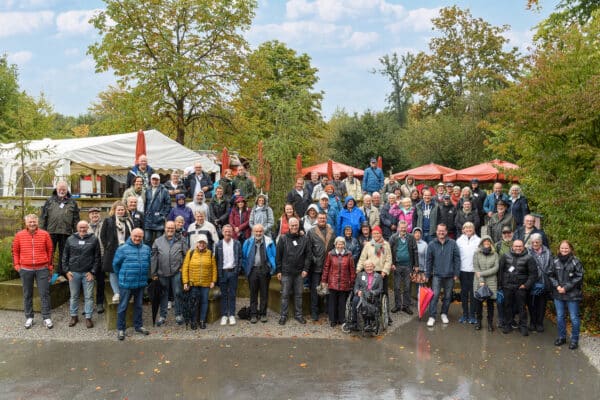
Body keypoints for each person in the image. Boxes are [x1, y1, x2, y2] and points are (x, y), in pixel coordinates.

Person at [12, 214, 54, 329]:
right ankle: (29, 317)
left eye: (34, 222)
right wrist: (17, 265)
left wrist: (50, 267)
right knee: (27, 294)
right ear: (26, 223)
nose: (32, 224)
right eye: (30, 222)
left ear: (37, 222)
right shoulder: (19, 235)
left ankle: (46, 317)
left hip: (42, 269)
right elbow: (15, 251)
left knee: (44, 294)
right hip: (25, 269)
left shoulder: (45, 234)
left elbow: (50, 251)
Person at [113, 228, 151, 340]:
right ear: (131, 235)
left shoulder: (146, 249)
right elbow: (116, 265)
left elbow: (148, 263)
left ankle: (138, 326)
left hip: (140, 283)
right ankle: (121, 329)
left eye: (140, 236)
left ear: (142, 237)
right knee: (123, 306)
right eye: (135, 236)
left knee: (138, 306)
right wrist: (123, 276)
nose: (137, 238)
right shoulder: (122, 249)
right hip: (126, 284)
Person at [63, 220, 101, 328]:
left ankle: (88, 317)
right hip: (73, 273)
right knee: (74, 296)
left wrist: (93, 272)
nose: (82, 229)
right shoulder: (70, 239)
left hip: (87, 273)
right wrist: (66, 271)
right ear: (77, 228)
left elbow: (97, 257)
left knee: (88, 297)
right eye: (80, 227)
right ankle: (74, 316)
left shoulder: (93, 239)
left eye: (84, 227)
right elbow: (65, 256)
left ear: (87, 228)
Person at [151, 221, 188, 327]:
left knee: (178, 293)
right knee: (163, 295)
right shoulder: (158, 241)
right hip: (162, 273)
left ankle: (178, 315)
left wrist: (182, 268)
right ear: (165, 228)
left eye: (172, 228)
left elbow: (186, 255)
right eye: (168, 228)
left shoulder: (181, 240)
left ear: (175, 228)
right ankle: (162, 316)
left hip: (177, 272)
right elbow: (153, 258)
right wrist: (153, 273)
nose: (170, 230)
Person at [549, 240, 584, 350]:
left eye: (566, 248)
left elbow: (579, 276)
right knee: (560, 317)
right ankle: (562, 337)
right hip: (558, 293)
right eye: (562, 248)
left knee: (574, 318)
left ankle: (574, 340)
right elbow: (550, 275)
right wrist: (557, 286)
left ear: (570, 249)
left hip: (572, 294)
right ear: (559, 249)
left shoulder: (575, 261)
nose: (564, 250)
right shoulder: (555, 260)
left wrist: (566, 287)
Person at [498, 239, 538, 336]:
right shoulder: (505, 256)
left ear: (523, 247)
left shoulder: (529, 258)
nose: (518, 248)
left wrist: (526, 285)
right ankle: (508, 324)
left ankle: (523, 326)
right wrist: (501, 284)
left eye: (520, 246)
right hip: (507, 286)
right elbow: (500, 271)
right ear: (512, 246)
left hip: (521, 287)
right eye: (516, 246)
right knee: (507, 306)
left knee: (522, 307)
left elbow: (533, 274)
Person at [41, 180, 80, 277]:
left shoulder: (72, 202)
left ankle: (62, 272)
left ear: (67, 190)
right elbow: (43, 217)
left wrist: (76, 233)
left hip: (66, 232)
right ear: (56, 189)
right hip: (51, 232)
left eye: (64, 189)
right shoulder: (49, 201)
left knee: (64, 254)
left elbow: (76, 219)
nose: (62, 191)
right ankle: (46, 272)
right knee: (49, 252)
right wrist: (42, 232)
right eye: (60, 189)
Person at [276, 217, 311, 325]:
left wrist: (306, 269)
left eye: (296, 225)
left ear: (299, 225)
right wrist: (279, 270)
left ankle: (299, 315)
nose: (294, 227)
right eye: (292, 225)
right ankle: (283, 316)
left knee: (299, 295)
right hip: (286, 272)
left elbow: (308, 255)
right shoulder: (282, 238)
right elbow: (278, 256)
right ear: (289, 226)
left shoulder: (304, 238)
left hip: (299, 273)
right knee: (285, 295)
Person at [425, 224, 461, 327]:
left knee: (448, 296)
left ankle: (444, 313)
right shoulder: (431, 244)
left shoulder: (453, 243)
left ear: (446, 232)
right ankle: (432, 316)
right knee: (435, 295)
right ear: (436, 231)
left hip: (450, 275)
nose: (441, 232)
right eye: (439, 231)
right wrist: (428, 274)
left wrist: (456, 273)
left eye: (443, 231)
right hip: (437, 275)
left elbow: (457, 259)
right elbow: (429, 261)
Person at [356, 225, 392, 325]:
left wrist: (385, 271)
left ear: (381, 234)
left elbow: (389, 259)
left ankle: (386, 315)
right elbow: (363, 258)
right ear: (372, 234)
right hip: (369, 271)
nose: (376, 235)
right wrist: (358, 269)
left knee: (384, 293)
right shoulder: (368, 245)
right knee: (369, 293)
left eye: (378, 233)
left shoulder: (386, 244)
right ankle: (370, 313)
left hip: (381, 273)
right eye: (374, 233)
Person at [242, 224, 277, 323]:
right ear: (253, 232)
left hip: (264, 270)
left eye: (260, 231)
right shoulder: (248, 242)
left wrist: (271, 267)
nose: (258, 233)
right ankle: (253, 314)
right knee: (253, 293)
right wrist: (247, 269)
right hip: (252, 270)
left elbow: (274, 255)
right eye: (256, 231)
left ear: (263, 232)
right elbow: (244, 257)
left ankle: (263, 314)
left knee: (264, 294)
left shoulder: (269, 241)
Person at [182, 234, 217, 330]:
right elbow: (185, 268)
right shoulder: (191, 252)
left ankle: (202, 321)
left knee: (204, 302)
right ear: (197, 243)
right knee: (194, 303)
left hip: (206, 283)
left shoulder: (210, 253)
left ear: (206, 244)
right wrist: (185, 282)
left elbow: (214, 268)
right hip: (193, 283)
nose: (201, 244)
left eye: (203, 242)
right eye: (200, 242)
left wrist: (213, 281)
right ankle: (193, 321)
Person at [100, 201, 132, 304]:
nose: (120, 211)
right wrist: (108, 246)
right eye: (118, 209)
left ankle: (124, 292)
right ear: (114, 210)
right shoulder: (108, 221)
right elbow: (102, 236)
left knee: (124, 271)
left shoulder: (129, 221)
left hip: (126, 250)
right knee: (113, 271)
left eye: (122, 209)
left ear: (125, 210)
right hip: (113, 250)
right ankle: (116, 293)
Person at [321, 237, 356, 327]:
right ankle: (332, 320)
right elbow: (326, 268)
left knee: (342, 302)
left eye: (342, 244)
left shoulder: (349, 254)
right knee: (332, 302)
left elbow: (352, 269)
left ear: (344, 245)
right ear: (335, 245)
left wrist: (352, 281)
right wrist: (324, 280)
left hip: (344, 282)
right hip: (333, 282)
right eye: (338, 244)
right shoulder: (330, 254)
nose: (340, 246)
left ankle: (341, 319)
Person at [307, 212, 335, 321]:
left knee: (328, 289)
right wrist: (314, 259)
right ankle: (314, 311)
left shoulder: (331, 232)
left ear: (326, 219)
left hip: (329, 266)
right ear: (317, 219)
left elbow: (334, 247)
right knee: (315, 290)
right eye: (320, 218)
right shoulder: (311, 232)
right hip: (316, 266)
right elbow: (308, 249)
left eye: (324, 218)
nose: (322, 220)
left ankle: (327, 310)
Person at [214, 225, 242, 326]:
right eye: (226, 231)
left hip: (233, 272)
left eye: (229, 231)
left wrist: (237, 271)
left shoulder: (237, 243)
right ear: (222, 232)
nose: (227, 233)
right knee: (224, 294)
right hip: (223, 272)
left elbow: (240, 258)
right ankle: (224, 315)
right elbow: (216, 259)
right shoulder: (218, 244)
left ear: (232, 232)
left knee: (232, 294)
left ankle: (232, 315)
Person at [389, 220, 418, 315]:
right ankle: (397, 305)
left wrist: (416, 265)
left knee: (407, 286)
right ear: (398, 228)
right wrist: (391, 263)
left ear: (407, 228)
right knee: (397, 287)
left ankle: (406, 306)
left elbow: (415, 251)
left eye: (405, 227)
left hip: (408, 265)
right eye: (401, 228)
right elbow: (389, 251)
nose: (403, 229)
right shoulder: (393, 237)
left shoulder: (411, 237)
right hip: (396, 265)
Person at [472, 235, 499, 331]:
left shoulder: (495, 254)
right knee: (478, 304)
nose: (486, 243)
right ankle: (478, 322)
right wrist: (481, 281)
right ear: (482, 243)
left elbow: (496, 268)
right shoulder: (477, 254)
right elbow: (476, 268)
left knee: (490, 305)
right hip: (479, 281)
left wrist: (482, 273)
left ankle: (490, 323)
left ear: (491, 243)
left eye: (488, 242)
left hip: (491, 281)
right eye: (485, 242)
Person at [527, 233, 553, 333]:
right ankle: (532, 322)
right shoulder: (527, 251)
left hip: (544, 281)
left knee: (542, 304)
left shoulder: (547, 252)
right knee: (531, 303)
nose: (535, 244)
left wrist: (547, 276)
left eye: (537, 242)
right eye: (533, 242)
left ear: (541, 242)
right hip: (532, 282)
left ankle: (540, 323)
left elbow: (551, 266)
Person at [456, 222, 481, 324]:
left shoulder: (479, 240)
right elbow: (457, 257)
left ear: (474, 229)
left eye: (471, 228)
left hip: (474, 272)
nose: (468, 229)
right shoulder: (459, 240)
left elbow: (481, 257)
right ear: (463, 229)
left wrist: (479, 270)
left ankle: (472, 315)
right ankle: (465, 315)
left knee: (473, 294)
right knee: (464, 294)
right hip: (462, 271)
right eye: (466, 228)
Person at [348, 260, 383, 331]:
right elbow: (356, 287)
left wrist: (372, 292)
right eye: (367, 267)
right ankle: (354, 322)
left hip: (372, 295)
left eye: (370, 266)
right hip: (361, 294)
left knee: (371, 303)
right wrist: (357, 292)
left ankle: (370, 323)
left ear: (374, 267)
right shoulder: (360, 275)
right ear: (364, 267)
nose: (369, 268)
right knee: (355, 301)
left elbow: (380, 289)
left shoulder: (379, 276)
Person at [87, 207, 106, 313]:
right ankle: (88, 304)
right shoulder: (86, 227)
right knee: (87, 281)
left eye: (97, 213)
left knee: (100, 281)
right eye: (92, 213)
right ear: (89, 216)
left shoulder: (104, 225)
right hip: (89, 258)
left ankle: (99, 303)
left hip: (101, 256)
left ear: (100, 215)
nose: (95, 215)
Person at [144, 173, 171, 245]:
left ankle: (158, 256)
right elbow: (145, 203)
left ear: (159, 181)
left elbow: (168, 204)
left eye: (157, 180)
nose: (155, 181)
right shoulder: (147, 190)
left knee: (159, 241)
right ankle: (148, 255)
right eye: (153, 180)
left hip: (159, 220)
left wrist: (163, 215)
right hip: (148, 219)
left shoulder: (164, 190)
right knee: (147, 240)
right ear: (150, 180)